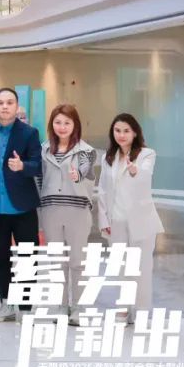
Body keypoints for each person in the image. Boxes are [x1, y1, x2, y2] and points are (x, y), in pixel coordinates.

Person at [0, 87, 43, 323]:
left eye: (10, 102)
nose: (5, 106)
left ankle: (25, 306)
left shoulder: (29, 133)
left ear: (17, 106)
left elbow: (38, 165)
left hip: (23, 207)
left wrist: (23, 166)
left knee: (27, 257)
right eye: (0, 103)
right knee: (0, 259)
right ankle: (6, 303)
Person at [97, 113, 163, 322]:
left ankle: (141, 310)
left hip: (141, 221)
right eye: (117, 130)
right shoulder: (108, 158)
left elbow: (146, 177)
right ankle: (123, 307)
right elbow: (102, 190)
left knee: (142, 267)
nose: (122, 135)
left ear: (135, 133)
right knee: (121, 266)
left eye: (126, 131)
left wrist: (135, 171)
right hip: (116, 221)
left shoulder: (147, 154)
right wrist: (103, 220)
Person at [39, 103, 98, 326]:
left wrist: (77, 175)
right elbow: (38, 179)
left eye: (67, 122)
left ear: (75, 125)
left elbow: (83, 170)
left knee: (77, 261)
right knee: (56, 261)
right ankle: (61, 306)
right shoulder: (44, 150)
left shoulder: (86, 151)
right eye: (58, 122)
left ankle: (79, 308)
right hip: (51, 210)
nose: (62, 127)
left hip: (77, 211)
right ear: (51, 124)